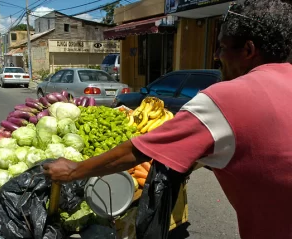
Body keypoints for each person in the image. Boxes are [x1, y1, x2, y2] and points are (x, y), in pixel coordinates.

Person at [43, 1, 292, 238]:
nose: (216, 56)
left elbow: (137, 152)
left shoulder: (227, 98)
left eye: (222, 47)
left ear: (248, 50)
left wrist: (74, 170)